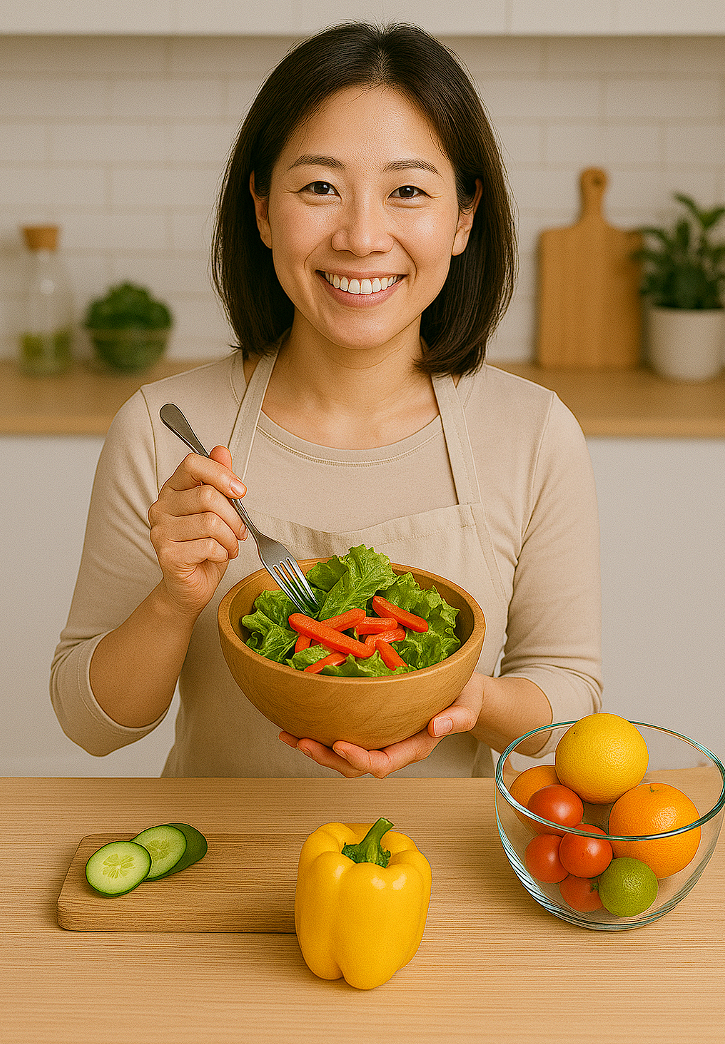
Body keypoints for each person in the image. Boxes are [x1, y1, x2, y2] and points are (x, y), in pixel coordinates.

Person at [51, 22, 602, 779]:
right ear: (262, 209)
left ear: (464, 217)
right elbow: (91, 726)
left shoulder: (533, 432)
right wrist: (173, 602)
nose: (362, 236)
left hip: (442, 878)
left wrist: (466, 699)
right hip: (217, 869)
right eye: (319, 188)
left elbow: (569, 706)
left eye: (407, 191)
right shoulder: (163, 429)